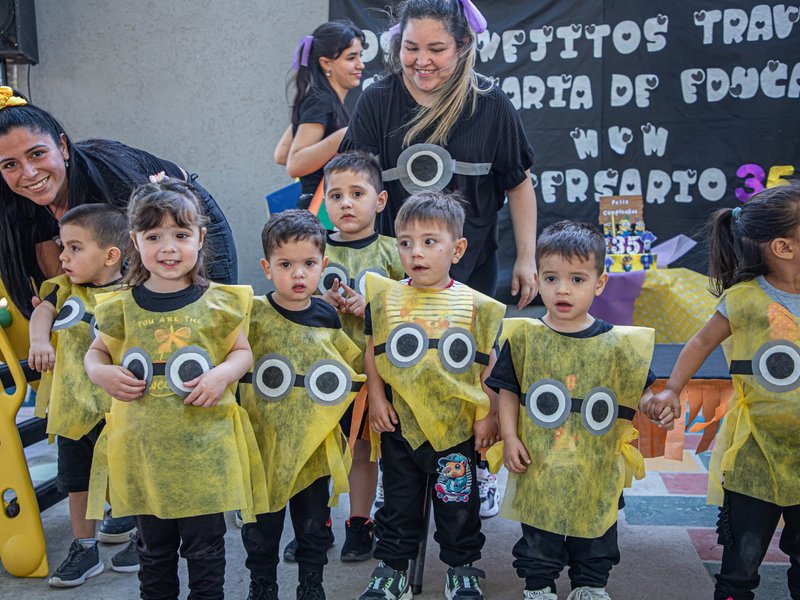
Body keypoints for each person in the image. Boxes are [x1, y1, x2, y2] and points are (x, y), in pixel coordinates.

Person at [83, 178, 267, 600]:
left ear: (200, 238)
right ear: (134, 240)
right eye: (154, 237)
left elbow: (242, 353)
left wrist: (222, 375)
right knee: (153, 552)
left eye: (181, 235)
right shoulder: (120, 306)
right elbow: (96, 353)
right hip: (143, 456)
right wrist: (101, 373)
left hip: (203, 452)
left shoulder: (219, 302)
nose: (168, 248)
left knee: (205, 550)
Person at [485, 221, 671, 600]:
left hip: (596, 464)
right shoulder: (525, 338)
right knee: (539, 530)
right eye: (551, 278)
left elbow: (641, 390)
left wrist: (654, 405)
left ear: (599, 284)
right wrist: (510, 437)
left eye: (577, 279)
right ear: (537, 279)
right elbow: (508, 390)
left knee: (597, 530)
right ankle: (539, 585)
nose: (563, 289)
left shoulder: (618, 344)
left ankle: (590, 584)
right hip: (540, 461)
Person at [651, 183, 800, 600]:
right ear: (784, 247)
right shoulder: (745, 300)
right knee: (741, 565)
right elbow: (700, 342)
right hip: (755, 449)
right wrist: (672, 389)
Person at [340, 0, 537, 307]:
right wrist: (338, 255)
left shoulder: (490, 103)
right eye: (411, 48)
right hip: (396, 273)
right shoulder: (376, 101)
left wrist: (527, 258)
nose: (422, 60)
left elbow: (519, 185)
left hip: (472, 273)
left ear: (462, 44)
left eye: (436, 49)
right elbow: (346, 181)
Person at [358, 192, 505, 600]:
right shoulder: (385, 300)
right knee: (398, 504)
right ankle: (393, 570)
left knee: (458, 506)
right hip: (400, 427)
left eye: (429, 242)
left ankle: (462, 569)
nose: (416, 252)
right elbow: (373, 351)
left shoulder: (476, 305)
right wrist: (377, 398)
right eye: (405, 242)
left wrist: (488, 414)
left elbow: (488, 363)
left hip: (454, 430)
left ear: (457, 249)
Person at [0, 87, 238, 321]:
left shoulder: (114, 179)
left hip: (180, 223)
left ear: (62, 146)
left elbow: (159, 250)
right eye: (10, 164)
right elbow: (60, 284)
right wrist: (54, 309)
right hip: (137, 244)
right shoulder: (17, 203)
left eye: (37, 154)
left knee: (203, 317)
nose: (29, 173)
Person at [239, 209, 365, 600]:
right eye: (285, 265)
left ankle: (312, 586)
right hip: (263, 445)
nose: (298, 274)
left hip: (313, 448)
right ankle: (263, 586)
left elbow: (342, 371)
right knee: (261, 528)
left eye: (309, 264)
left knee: (313, 525)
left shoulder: (327, 316)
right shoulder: (252, 315)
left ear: (323, 266)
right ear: (267, 268)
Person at [26, 204, 139, 585]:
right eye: (63, 246)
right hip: (73, 410)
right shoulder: (64, 289)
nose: (63, 256)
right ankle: (84, 547)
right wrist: (39, 341)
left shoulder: (133, 294)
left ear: (111, 255)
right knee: (77, 480)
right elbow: (42, 314)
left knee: (130, 475)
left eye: (75, 248)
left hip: (120, 411)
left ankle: (143, 535)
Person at [316, 151, 405, 562]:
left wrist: (372, 308)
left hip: (371, 377)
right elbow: (290, 296)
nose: (346, 203)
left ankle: (359, 521)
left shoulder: (393, 252)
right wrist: (318, 305)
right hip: (318, 371)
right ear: (324, 203)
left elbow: (412, 309)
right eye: (336, 196)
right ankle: (317, 522)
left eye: (357, 193)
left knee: (362, 448)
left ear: (380, 201)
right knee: (317, 446)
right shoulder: (314, 250)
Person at [276, 20, 365, 208]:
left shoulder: (321, 99)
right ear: (326, 63)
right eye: (351, 58)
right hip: (319, 211)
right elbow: (294, 164)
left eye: (360, 56)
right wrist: (342, 136)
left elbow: (282, 154)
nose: (361, 65)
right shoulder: (321, 102)